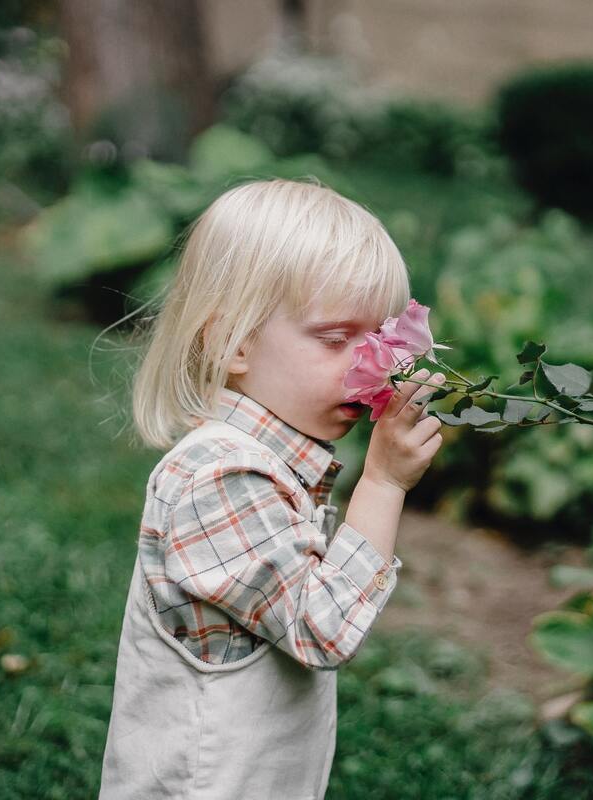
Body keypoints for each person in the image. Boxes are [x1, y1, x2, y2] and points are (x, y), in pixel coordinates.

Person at [98, 177, 446, 798]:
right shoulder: (221, 477)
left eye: (381, 341)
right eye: (338, 339)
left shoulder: (272, 462)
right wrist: (385, 482)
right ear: (229, 342)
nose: (373, 365)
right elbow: (322, 627)